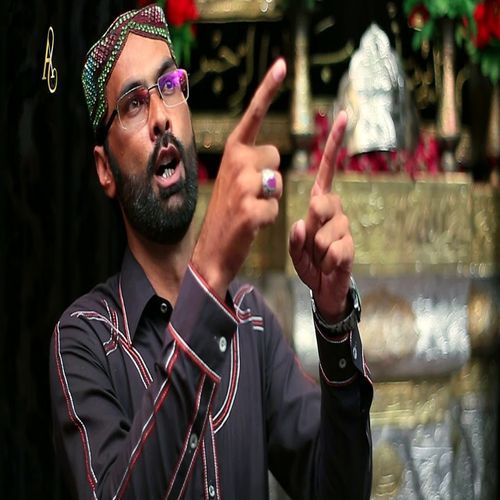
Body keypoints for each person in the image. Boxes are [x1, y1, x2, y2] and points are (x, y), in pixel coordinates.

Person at [49, 5, 373, 499]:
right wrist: (208, 274)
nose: (161, 116)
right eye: (133, 104)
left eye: (169, 86)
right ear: (105, 169)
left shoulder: (251, 321)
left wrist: (334, 322)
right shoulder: (84, 340)